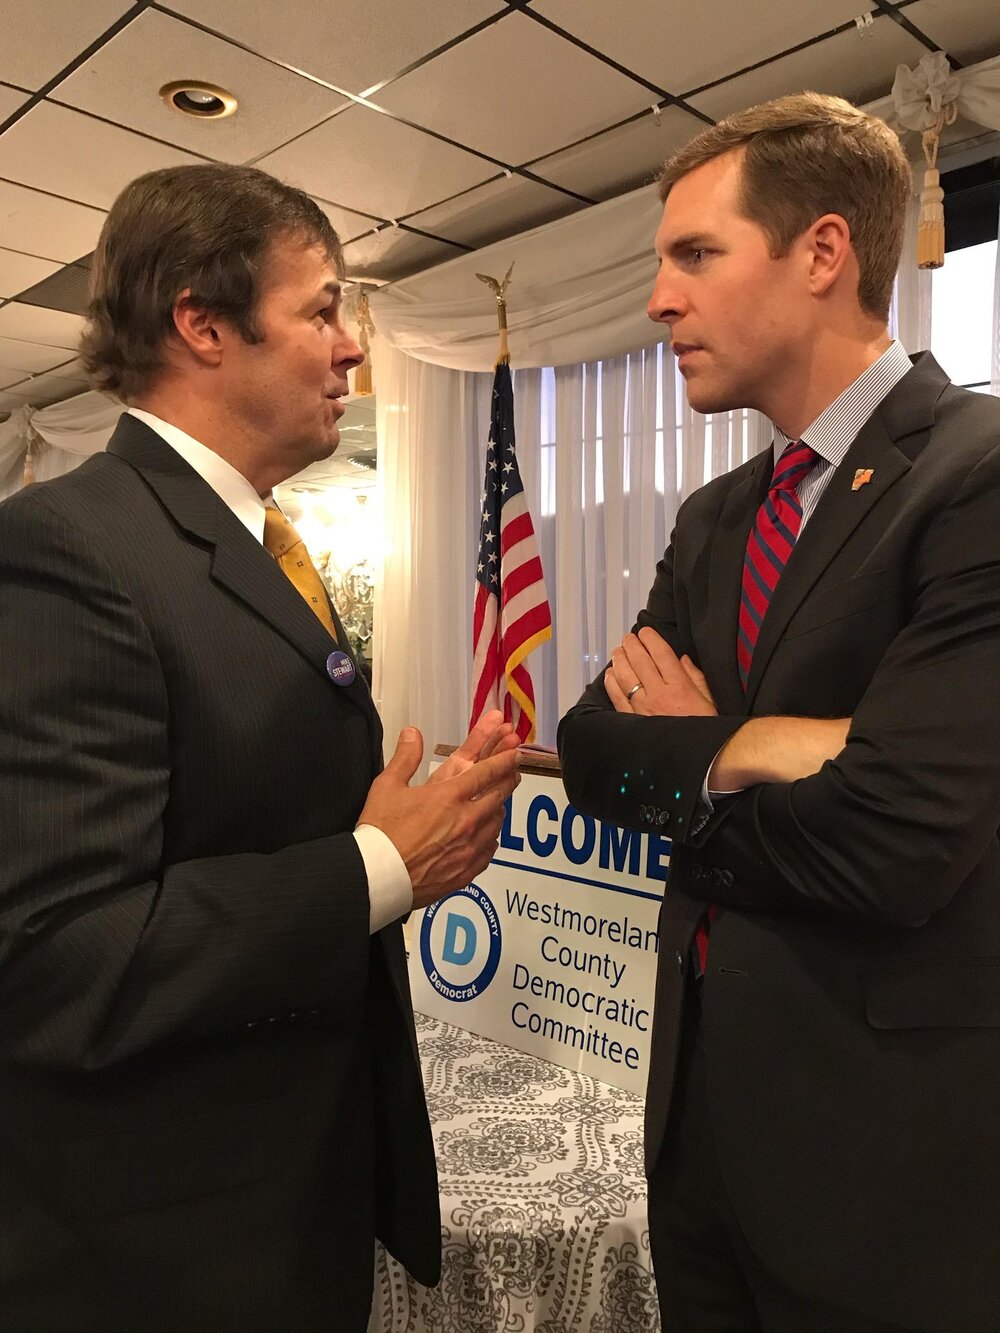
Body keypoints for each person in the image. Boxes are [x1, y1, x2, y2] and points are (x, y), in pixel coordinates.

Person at [0, 163, 520, 1332]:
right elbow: (56, 957)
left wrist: (399, 840)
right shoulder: (62, 553)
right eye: (324, 308)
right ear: (202, 324)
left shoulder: (259, 546)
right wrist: (380, 867)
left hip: (286, 1202)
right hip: (161, 1254)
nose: (352, 352)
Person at [558, 92, 1000, 1333]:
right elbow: (595, 754)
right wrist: (749, 747)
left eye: (694, 255)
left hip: (888, 1168)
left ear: (820, 254)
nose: (657, 297)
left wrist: (685, 765)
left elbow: (897, 841)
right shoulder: (713, 520)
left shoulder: (976, 477)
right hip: (696, 1132)